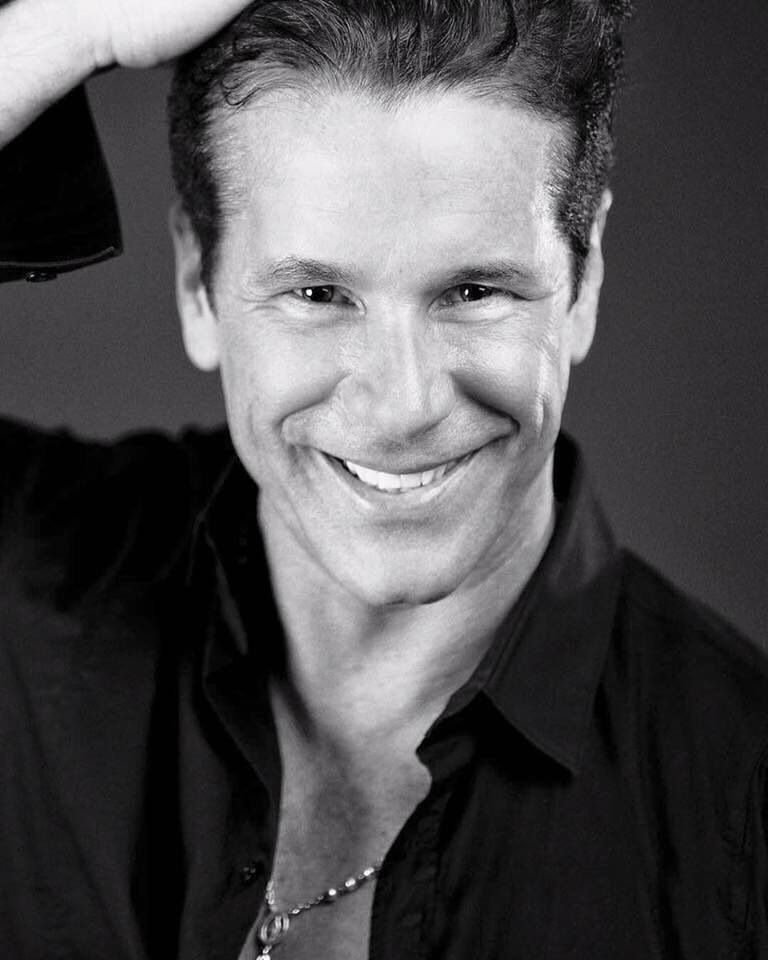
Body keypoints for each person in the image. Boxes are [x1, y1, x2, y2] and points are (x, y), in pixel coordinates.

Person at [1, 1, 767, 959]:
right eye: (318, 294)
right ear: (198, 282)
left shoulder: (741, 815)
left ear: (585, 280)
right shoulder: (29, 581)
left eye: (474, 291)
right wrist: (65, 31)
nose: (403, 406)